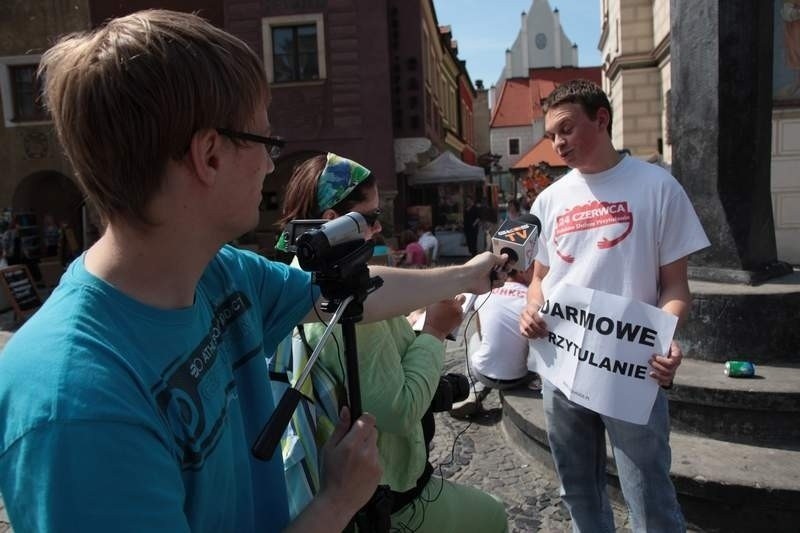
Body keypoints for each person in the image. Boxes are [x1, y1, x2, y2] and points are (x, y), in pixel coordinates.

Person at [0, 10, 507, 532]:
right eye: (267, 143)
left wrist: (467, 276)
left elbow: (348, 292)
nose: (271, 166)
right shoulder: (75, 403)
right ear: (210, 155)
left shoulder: (221, 274)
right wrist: (336, 502)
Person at [277, 153, 509, 532]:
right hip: (386, 500)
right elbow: (398, 409)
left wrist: (413, 327)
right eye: (370, 217)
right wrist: (434, 331)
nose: (380, 228)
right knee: (493, 516)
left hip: (362, 490)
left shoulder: (302, 278)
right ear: (336, 223)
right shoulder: (339, 294)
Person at [519, 79, 710, 532]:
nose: (558, 143)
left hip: (631, 370)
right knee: (578, 490)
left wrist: (665, 339)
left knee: (649, 496)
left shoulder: (658, 187)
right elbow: (540, 279)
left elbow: (676, 286)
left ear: (601, 118)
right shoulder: (549, 200)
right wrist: (531, 307)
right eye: (552, 136)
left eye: (566, 129)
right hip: (561, 369)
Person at [450, 265, 539, 418]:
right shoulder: (532, 301)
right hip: (519, 377)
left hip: (483, 373)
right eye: (533, 268)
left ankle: (473, 390)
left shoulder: (485, 294)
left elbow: (481, 333)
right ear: (521, 270)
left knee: (475, 339)